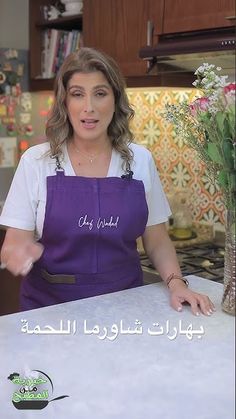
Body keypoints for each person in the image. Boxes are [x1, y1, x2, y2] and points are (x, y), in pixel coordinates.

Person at [0, 47, 215, 315]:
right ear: (65, 102)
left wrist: (176, 283)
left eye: (100, 93)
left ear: (115, 100)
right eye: (77, 94)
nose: (89, 107)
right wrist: (17, 253)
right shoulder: (36, 161)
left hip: (125, 308)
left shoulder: (139, 160)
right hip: (50, 312)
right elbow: (13, 243)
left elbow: (157, 239)